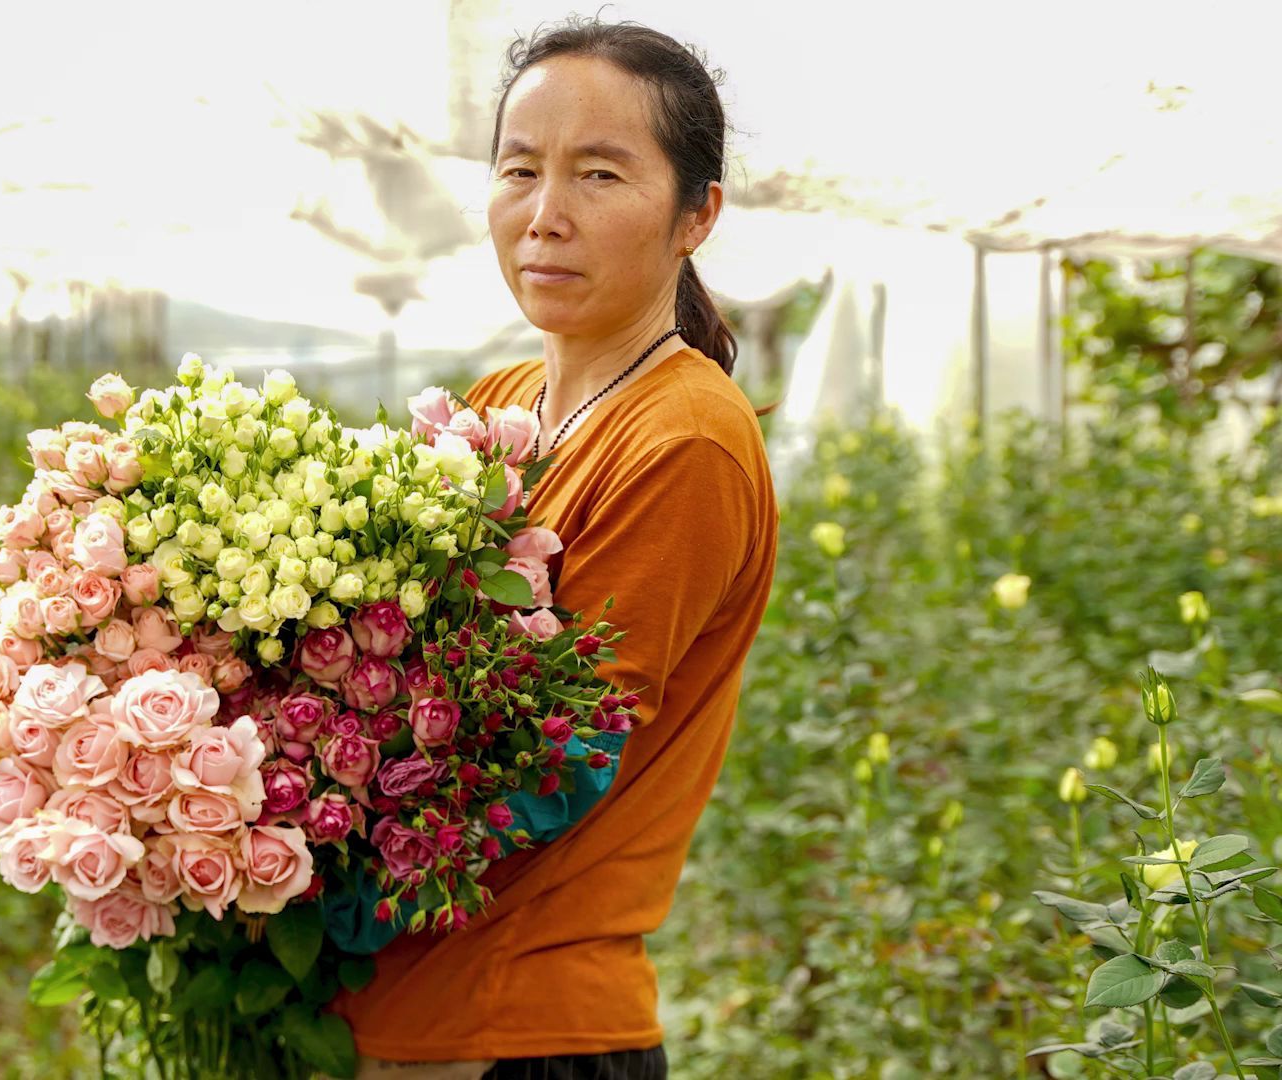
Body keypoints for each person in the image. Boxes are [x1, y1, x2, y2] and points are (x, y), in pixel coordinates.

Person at [329, 15, 782, 1080]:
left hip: (523, 1026)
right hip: (400, 1011)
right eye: (520, 169)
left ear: (696, 214)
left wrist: (298, 870)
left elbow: (560, 764)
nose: (546, 216)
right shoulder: (499, 404)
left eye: (600, 176)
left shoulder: (687, 440)